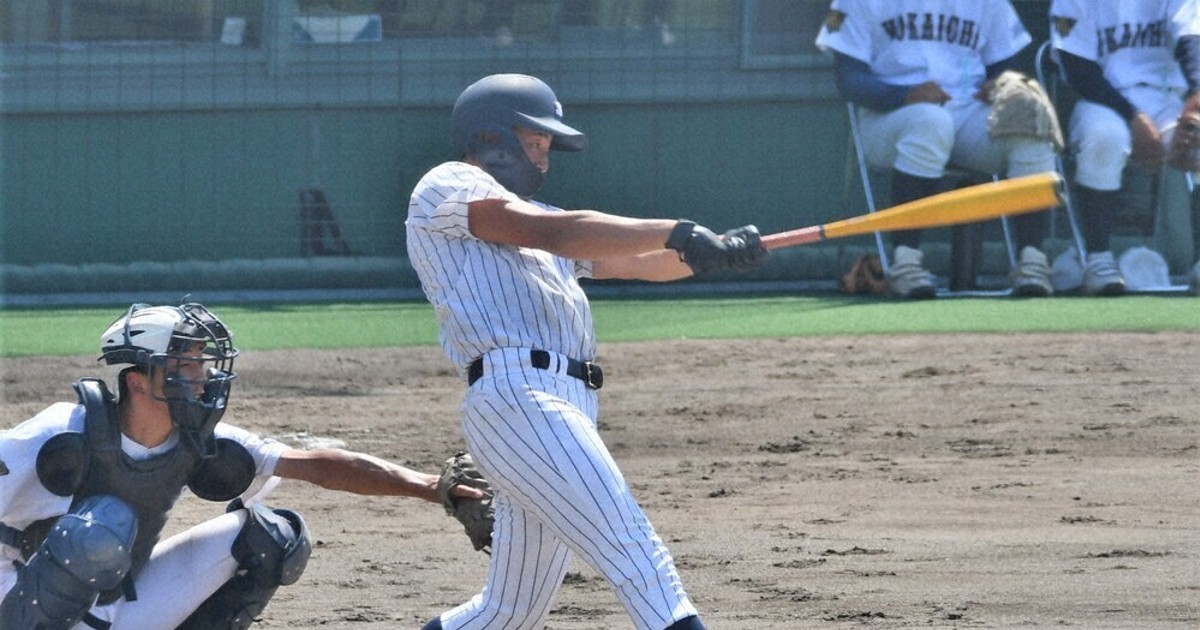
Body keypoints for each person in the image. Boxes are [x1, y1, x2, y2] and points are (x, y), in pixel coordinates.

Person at [405, 73, 767, 630]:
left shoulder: (540, 223)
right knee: (639, 560)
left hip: (558, 405)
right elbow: (560, 232)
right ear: (489, 136)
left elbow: (638, 261)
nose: (544, 160)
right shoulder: (449, 183)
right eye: (534, 143)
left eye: (547, 148)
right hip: (520, 402)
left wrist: (710, 255)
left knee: (508, 612)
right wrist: (678, 229)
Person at [0, 302, 485, 629]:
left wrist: (432, 486)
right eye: (184, 364)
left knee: (274, 537)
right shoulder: (61, 435)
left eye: (202, 362)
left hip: (116, 603)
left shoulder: (199, 440)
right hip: (15, 597)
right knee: (98, 531)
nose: (202, 376)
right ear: (137, 381)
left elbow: (317, 465)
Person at [816, 0, 1062, 298]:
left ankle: (1032, 263)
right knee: (930, 121)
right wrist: (905, 95)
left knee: (1028, 120)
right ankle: (906, 265)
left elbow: (1003, 62)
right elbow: (849, 80)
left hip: (968, 111)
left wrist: (998, 82)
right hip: (888, 116)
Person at [1049, 0, 1200, 295]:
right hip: (1103, 100)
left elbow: (1191, 40)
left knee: (1199, 137)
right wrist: (1133, 118)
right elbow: (1077, 69)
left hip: (1167, 98)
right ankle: (1098, 259)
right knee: (1103, 137)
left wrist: (1197, 95)